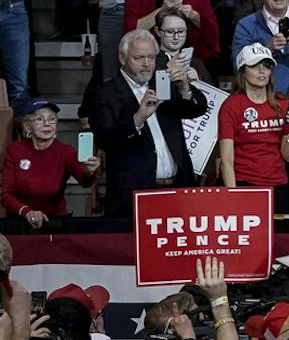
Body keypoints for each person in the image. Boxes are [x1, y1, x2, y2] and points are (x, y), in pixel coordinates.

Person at [86, 27, 204, 210]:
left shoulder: (164, 83)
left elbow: (198, 109)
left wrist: (185, 88)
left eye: (151, 57)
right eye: (139, 58)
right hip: (133, 196)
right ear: (122, 58)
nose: (147, 64)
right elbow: (105, 138)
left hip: (178, 190)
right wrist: (138, 118)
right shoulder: (104, 93)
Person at [216, 42, 289, 204]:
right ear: (243, 71)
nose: (262, 71)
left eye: (267, 66)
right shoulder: (232, 105)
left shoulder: (282, 103)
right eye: (255, 66)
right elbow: (226, 159)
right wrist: (232, 197)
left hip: (277, 185)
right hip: (244, 185)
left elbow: (288, 157)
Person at [0, 99, 99, 228]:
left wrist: (89, 170)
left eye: (52, 119)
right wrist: (27, 212)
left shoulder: (65, 152)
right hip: (21, 222)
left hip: (55, 222)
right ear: (27, 126)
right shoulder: (15, 150)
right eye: (39, 119)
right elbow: (6, 194)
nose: (47, 124)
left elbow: (85, 181)